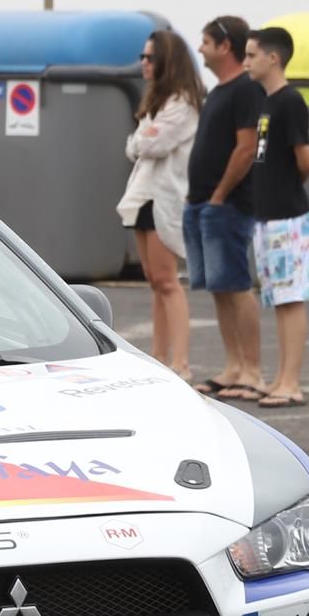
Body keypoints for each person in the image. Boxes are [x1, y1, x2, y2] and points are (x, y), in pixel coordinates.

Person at [182, 16, 267, 401]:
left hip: (227, 205)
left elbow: (246, 147)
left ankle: (251, 369)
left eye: (205, 42)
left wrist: (219, 195)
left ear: (224, 46)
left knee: (235, 285)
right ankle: (233, 366)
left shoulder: (245, 91)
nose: (200, 49)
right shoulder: (218, 92)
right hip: (201, 202)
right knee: (219, 287)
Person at [116, 29, 202, 378]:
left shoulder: (182, 103)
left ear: (166, 61)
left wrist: (140, 139)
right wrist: (141, 139)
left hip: (164, 198)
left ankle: (180, 363)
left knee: (167, 281)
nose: (143, 63)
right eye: (142, 57)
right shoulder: (157, 102)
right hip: (142, 196)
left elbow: (150, 145)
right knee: (154, 281)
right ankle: (158, 355)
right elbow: (135, 144)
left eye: (150, 57)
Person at [243, 25, 309, 409]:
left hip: (288, 216)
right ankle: (280, 377)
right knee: (277, 297)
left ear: (274, 58)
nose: (247, 61)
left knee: (291, 297)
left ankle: (292, 381)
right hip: (266, 216)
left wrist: (286, 188)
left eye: (252, 55)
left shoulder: (290, 102)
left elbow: (306, 160)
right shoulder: (266, 101)